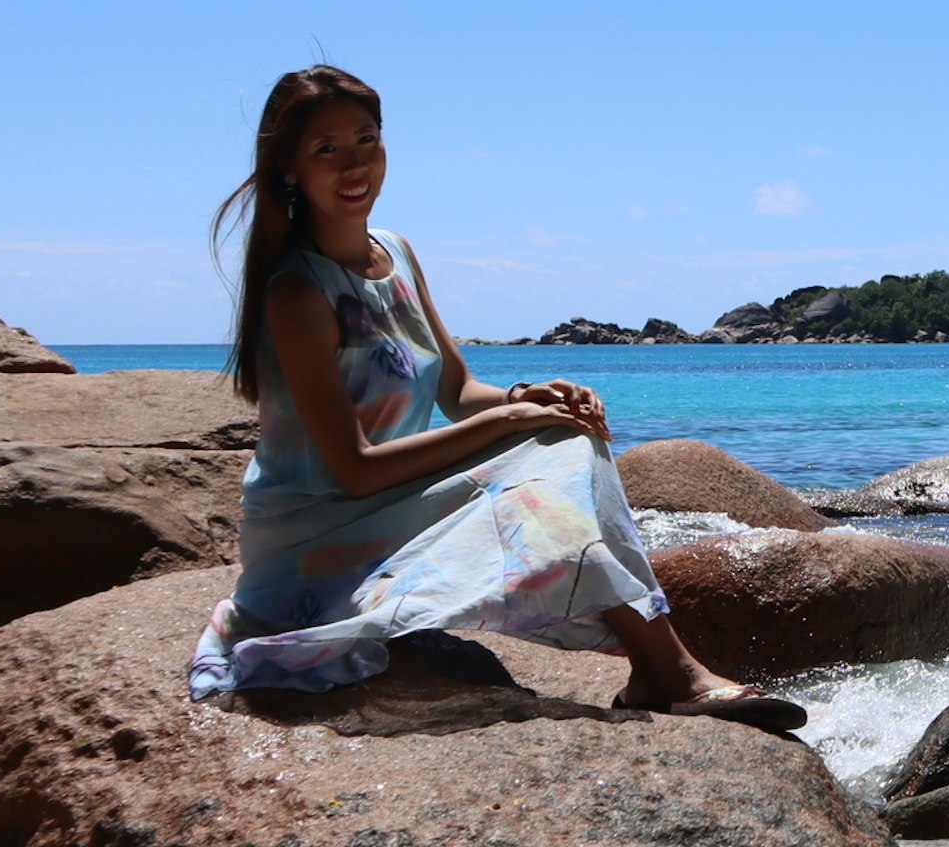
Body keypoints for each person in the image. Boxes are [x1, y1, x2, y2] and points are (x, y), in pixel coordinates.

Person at [188, 65, 797, 725]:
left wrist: (531, 396)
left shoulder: (395, 253)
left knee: (564, 434)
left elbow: (455, 389)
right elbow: (355, 470)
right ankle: (667, 668)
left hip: (393, 500)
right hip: (319, 533)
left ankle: (659, 666)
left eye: (367, 140)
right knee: (539, 475)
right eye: (326, 149)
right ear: (289, 168)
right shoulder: (298, 292)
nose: (354, 164)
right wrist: (508, 420)